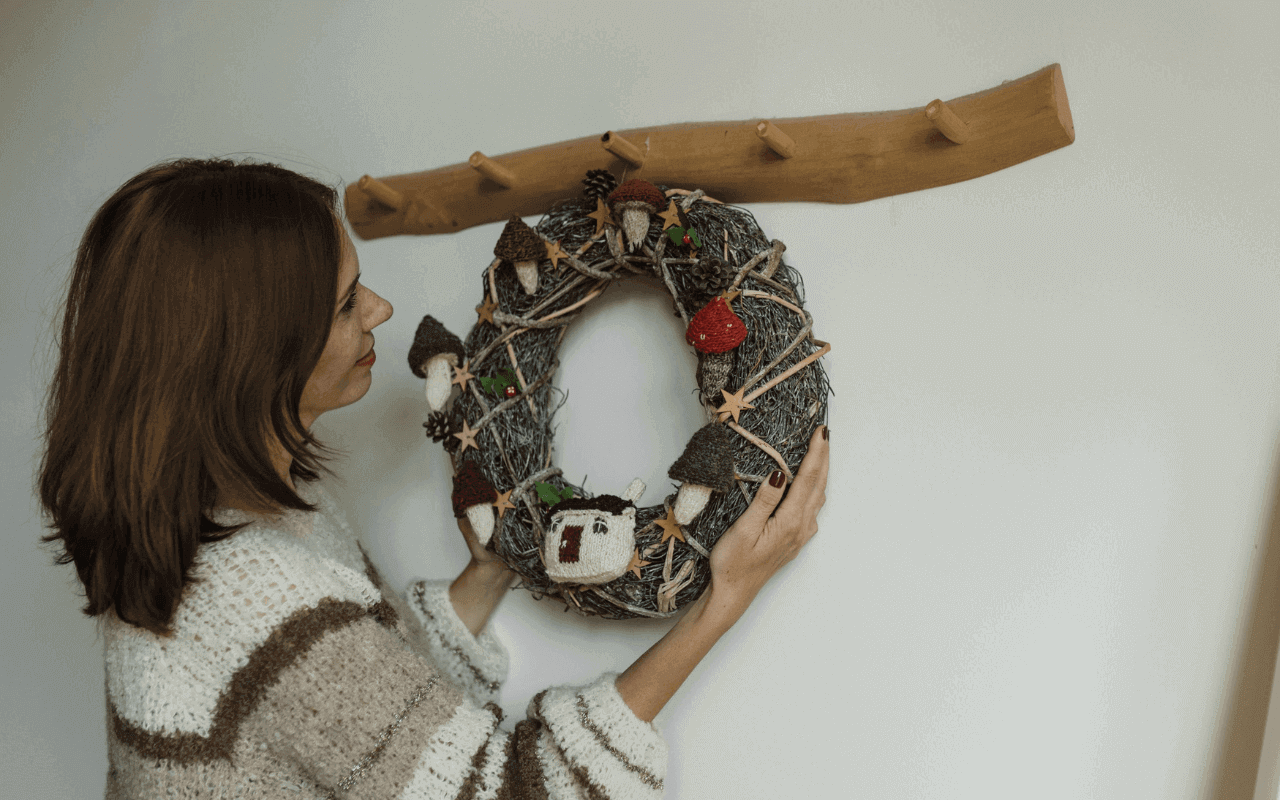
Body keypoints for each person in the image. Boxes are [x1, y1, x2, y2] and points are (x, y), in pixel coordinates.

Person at [37, 158, 829, 799]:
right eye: (347, 303)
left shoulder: (231, 521)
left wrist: (487, 572)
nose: (380, 310)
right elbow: (507, 792)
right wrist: (720, 605)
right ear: (251, 356)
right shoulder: (254, 589)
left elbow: (352, 726)